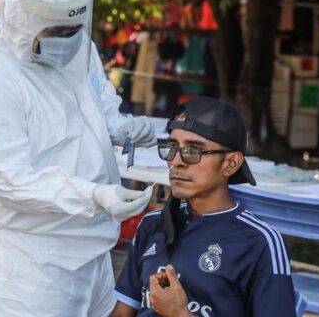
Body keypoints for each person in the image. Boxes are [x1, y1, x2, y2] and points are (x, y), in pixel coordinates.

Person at [0, 0, 157, 316]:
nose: (67, 39)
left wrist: (121, 126)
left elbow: (97, 102)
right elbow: (10, 179)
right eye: (56, 31)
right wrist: (92, 194)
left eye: (74, 29)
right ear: (23, 21)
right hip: (26, 265)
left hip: (91, 249)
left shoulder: (78, 49)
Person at [111, 96, 296, 317]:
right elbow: (122, 312)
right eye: (172, 147)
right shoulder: (153, 225)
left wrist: (180, 314)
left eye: (193, 151)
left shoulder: (258, 243)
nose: (177, 161)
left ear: (231, 163)